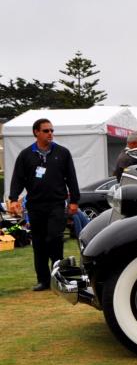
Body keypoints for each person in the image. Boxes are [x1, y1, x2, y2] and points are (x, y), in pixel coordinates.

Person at [8, 118, 80, 291]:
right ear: (36, 132)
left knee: (54, 238)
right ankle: (43, 280)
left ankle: (60, 277)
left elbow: (71, 177)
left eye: (52, 130)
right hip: (35, 205)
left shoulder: (62, 153)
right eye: (46, 131)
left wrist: (74, 200)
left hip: (56, 203)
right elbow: (18, 178)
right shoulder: (26, 155)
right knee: (39, 243)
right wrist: (12, 198)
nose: (50, 134)